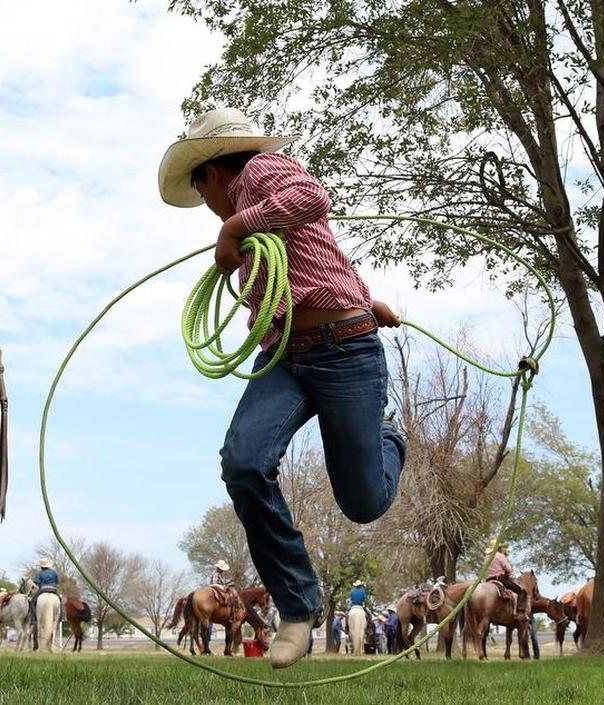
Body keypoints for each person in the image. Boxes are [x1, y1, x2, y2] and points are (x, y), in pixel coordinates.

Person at [159, 107, 406, 668]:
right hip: (286, 356)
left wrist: (233, 226)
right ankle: (298, 604)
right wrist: (366, 300)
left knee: (363, 503)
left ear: (213, 174)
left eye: (203, 193)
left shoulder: (261, 173)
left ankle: (389, 438)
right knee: (244, 462)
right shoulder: (252, 220)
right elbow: (313, 263)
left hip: (345, 351)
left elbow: (312, 200)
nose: (207, 207)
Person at [483, 540, 527, 619]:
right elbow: (509, 569)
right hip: (500, 579)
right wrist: (513, 579)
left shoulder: (486, 557)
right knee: (521, 591)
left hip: (488, 580)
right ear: (498, 548)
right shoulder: (500, 556)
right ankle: (520, 612)